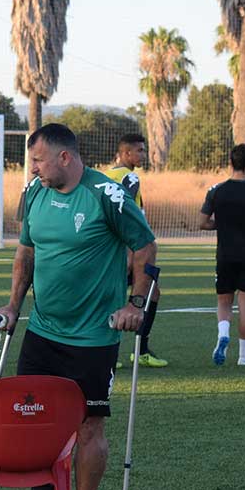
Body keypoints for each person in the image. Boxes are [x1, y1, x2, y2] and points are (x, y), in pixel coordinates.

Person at [0, 124, 156, 490]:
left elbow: (144, 246)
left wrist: (135, 305)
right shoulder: (34, 194)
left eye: (39, 161)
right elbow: (25, 252)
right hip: (43, 332)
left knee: (88, 427)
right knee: (35, 422)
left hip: (93, 337)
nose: (34, 169)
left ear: (65, 157)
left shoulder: (107, 194)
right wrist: (13, 305)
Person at [200, 144, 245, 366]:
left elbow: (202, 222)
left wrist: (223, 224)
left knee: (224, 302)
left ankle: (222, 335)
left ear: (231, 163)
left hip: (224, 255)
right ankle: (244, 355)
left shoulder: (216, 190)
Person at [104, 132, 167, 368]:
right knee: (147, 292)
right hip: (127, 250)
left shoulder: (106, 175)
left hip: (110, 250)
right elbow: (125, 215)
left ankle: (115, 352)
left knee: (119, 295)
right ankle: (138, 350)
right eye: (139, 150)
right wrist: (131, 254)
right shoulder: (129, 178)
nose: (143, 154)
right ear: (126, 153)